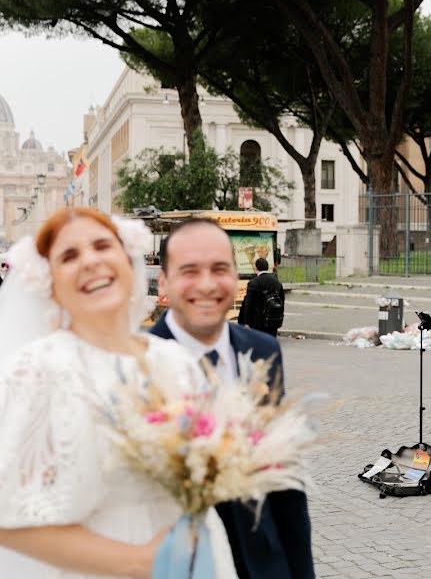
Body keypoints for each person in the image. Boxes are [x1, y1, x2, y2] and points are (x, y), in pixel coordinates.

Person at [0, 207, 237, 578]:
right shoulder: (38, 369)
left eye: (102, 245)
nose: (91, 261)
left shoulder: (174, 360)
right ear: (51, 284)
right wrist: (139, 562)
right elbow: (7, 520)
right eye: (69, 256)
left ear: (128, 261)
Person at [151, 218, 314, 579]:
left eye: (220, 269)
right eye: (189, 270)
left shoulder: (263, 350)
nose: (207, 284)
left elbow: (285, 486)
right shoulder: (135, 363)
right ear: (163, 282)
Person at [238, 257, 285, 337]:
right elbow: (281, 300)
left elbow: (248, 304)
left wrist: (246, 322)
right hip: (272, 320)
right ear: (267, 267)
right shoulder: (276, 282)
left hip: (257, 322)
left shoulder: (253, 283)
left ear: (256, 268)